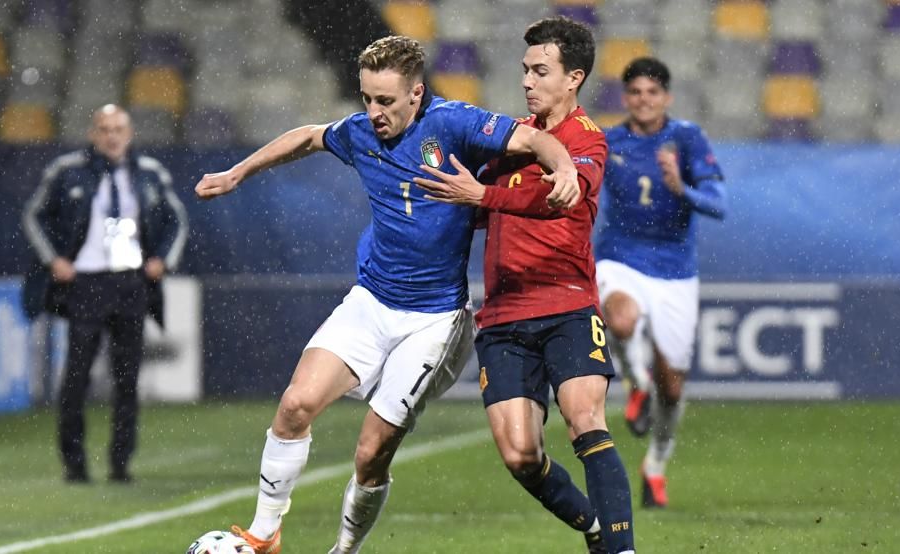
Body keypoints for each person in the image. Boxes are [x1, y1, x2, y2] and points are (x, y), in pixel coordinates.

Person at [194, 35, 582, 554]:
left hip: (432, 321)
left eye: (386, 101)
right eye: (367, 99)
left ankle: (345, 550)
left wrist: (566, 168)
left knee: (370, 454)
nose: (373, 113)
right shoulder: (359, 133)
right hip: (372, 301)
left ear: (416, 94)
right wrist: (238, 172)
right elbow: (308, 137)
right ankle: (264, 535)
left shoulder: (453, 123)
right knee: (294, 405)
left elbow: (536, 141)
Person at [413, 17, 634, 554]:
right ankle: (595, 529)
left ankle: (622, 551)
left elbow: (561, 199)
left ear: (573, 78)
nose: (528, 82)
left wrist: (482, 198)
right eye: (525, 71)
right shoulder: (511, 140)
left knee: (586, 420)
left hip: (567, 305)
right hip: (505, 315)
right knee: (520, 455)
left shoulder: (587, 140)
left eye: (541, 71)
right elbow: (470, 199)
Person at [22, 104, 189, 483]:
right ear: (92, 134)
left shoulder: (148, 173)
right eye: (104, 129)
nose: (111, 136)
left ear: (129, 134)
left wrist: (163, 259)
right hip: (85, 283)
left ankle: (120, 463)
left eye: (118, 128)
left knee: (127, 379)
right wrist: (54, 259)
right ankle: (75, 463)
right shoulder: (67, 171)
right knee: (76, 378)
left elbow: (176, 219)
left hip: (131, 283)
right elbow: (34, 215)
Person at [595, 57, 727, 508]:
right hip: (621, 257)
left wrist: (681, 188)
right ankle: (637, 382)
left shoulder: (686, 138)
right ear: (625, 97)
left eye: (652, 92)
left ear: (666, 97)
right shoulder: (610, 140)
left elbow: (719, 202)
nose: (643, 100)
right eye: (635, 92)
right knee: (622, 319)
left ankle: (655, 466)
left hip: (675, 271)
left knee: (674, 388)